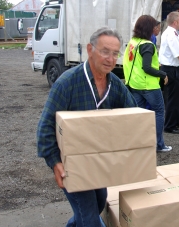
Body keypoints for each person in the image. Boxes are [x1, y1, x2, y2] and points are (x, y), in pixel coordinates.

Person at [37, 28, 137, 227]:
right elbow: (45, 128)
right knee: (90, 218)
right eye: (104, 51)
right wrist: (55, 162)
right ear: (90, 49)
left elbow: (133, 117)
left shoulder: (115, 85)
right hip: (71, 164)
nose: (110, 59)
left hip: (99, 161)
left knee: (99, 202)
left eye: (115, 53)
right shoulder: (67, 84)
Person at [123, 15, 171, 152]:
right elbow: (147, 67)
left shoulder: (134, 42)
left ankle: (141, 143)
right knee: (159, 112)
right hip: (148, 86)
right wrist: (163, 74)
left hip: (134, 84)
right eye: (155, 26)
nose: (157, 28)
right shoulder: (147, 45)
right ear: (149, 28)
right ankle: (158, 145)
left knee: (140, 116)